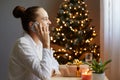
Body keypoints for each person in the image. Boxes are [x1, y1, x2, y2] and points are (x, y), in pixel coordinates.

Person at [8, 6, 60, 80]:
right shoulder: (22, 44)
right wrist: (46, 45)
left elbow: (56, 65)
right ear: (32, 25)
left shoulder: (40, 43)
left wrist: (51, 71)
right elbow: (45, 75)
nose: (49, 22)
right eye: (45, 19)